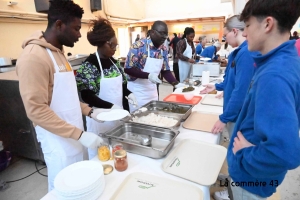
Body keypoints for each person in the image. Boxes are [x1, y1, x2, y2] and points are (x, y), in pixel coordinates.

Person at [16, 0, 107, 191]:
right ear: (59, 25)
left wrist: (91, 112)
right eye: (76, 28)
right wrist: (79, 135)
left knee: (80, 184)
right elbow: (36, 111)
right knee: (64, 189)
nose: (79, 34)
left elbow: (69, 98)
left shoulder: (59, 54)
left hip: (74, 133)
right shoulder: (34, 57)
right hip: (57, 142)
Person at [227, 0, 300, 199]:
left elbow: (286, 153)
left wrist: (245, 155)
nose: (244, 33)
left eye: (248, 25)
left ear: (268, 24)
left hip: (251, 180)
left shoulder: (274, 75)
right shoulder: (284, 61)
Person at [200, 15, 256, 200]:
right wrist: (216, 86)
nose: (225, 40)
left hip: (239, 116)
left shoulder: (247, 53)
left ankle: (236, 192)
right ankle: (232, 186)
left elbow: (240, 91)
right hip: (234, 114)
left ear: (235, 31)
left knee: (238, 155)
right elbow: (232, 80)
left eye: (225, 36)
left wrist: (224, 118)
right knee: (233, 153)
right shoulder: (238, 52)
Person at [75, 18, 137, 159]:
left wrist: (129, 94)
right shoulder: (89, 66)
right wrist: (110, 106)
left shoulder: (114, 63)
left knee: (117, 151)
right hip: (99, 120)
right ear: (102, 43)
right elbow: (87, 96)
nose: (115, 49)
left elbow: (121, 86)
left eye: (116, 46)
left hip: (117, 117)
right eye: (112, 46)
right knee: (102, 156)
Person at [124, 21, 184, 112]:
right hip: (137, 92)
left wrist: (176, 83)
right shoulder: (138, 46)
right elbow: (128, 69)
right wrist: (148, 75)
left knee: (153, 116)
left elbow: (165, 70)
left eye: (166, 34)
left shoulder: (163, 49)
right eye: (162, 33)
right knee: (138, 119)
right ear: (152, 32)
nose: (164, 37)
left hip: (152, 91)